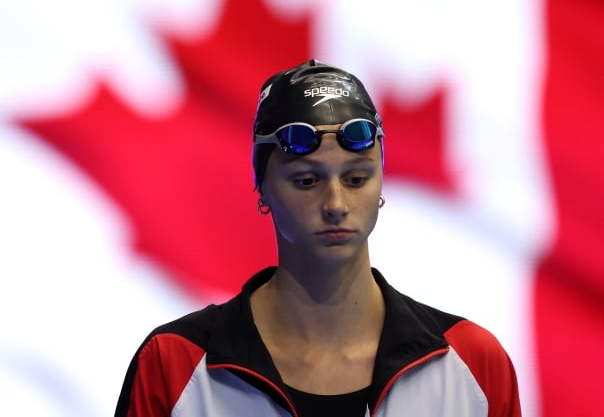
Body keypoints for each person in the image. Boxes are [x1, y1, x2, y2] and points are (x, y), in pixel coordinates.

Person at [114, 59, 521, 416]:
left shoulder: (472, 362)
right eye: (307, 180)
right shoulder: (174, 363)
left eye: (357, 178)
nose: (336, 203)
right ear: (263, 190)